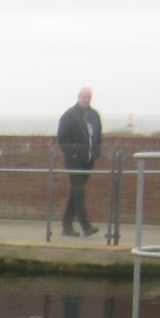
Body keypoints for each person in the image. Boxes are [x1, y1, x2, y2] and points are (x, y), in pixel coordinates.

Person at [56, 87, 102, 238]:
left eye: (89, 97)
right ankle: (85, 225)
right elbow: (62, 137)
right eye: (84, 97)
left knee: (76, 192)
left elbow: (98, 136)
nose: (86, 100)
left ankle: (66, 226)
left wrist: (96, 153)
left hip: (88, 160)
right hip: (74, 161)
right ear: (78, 97)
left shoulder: (94, 115)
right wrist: (72, 154)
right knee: (78, 191)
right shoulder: (70, 115)